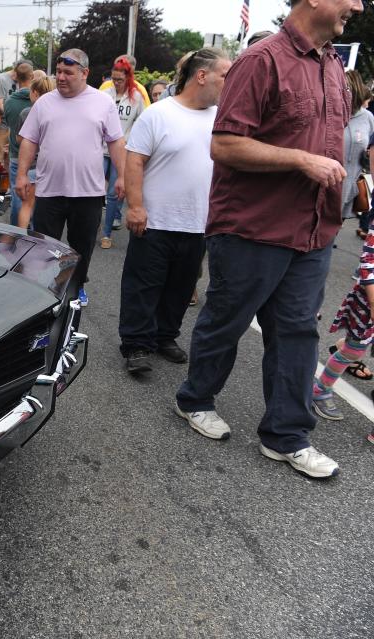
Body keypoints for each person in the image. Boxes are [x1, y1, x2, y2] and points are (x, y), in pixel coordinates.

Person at [175, 0, 362, 480]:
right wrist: (301, 160)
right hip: (252, 227)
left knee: (298, 330)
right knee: (226, 320)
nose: (358, 5)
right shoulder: (262, 60)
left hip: (313, 228)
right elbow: (225, 144)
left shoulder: (335, 66)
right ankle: (195, 399)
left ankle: (286, 436)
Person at [118, 48, 232, 374]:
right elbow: (134, 161)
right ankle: (137, 344)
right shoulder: (158, 114)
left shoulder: (220, 117)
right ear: (202, 76)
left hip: (198, 223)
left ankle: (165, 335)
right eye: (225, 75)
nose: (230, 82)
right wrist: (136, 207)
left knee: (181, 287)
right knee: (144, 285)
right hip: (155, 221)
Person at [16, 49, 125, 307]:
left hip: (88, 192)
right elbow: (29, 140)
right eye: (59, 72)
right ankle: (44, 291)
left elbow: (116, 142)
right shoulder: (44, 103)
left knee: (82, 245)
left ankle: (75, 287)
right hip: (49, 191)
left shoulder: (102, 102)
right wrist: (21, 174)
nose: (61, 77)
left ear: (84, 73)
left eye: (68, 72)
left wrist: (121, 176)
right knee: (44, 245)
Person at [312, 233, 374, 432]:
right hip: (368, 302)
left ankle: (344, 347)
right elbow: (368, 260)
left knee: (355, 347)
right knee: (354, 350)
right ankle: (320, 390)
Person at [100, 58, 146, 249]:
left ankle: (106, 233)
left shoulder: (136, 96)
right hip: (101, 148)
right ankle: (92, 222)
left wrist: (130, 137)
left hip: (122, 150)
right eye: (114, 78)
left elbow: (142, 122)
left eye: (119, 79)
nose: (116, 82)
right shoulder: (105, 93)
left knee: (113, 194)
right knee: (95, 189)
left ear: (128, 77)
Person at [15, 76, 54, 230]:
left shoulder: (27, 112)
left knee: (26, 206)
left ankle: (22, 240)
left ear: (35, 92)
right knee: (46, 209)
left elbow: (20, 139)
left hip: (30, 165)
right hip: (49, 166)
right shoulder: (55, 111)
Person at [339, 70, 374, 224]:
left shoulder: (367, 117)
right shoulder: (326, 113)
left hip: (349, 190)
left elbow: (370, 148)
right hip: (319, 189)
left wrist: (367, 156)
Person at [5, 63, 37, 225]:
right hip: (37, 157)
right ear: (32, 77)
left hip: (16, 155)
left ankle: (15, 231)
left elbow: (9, 125)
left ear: (15, 77)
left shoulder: (9, 102)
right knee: (33, 199)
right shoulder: (41, 103)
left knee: (19, 195)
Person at [0, 62, 31, 165]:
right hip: (4, 123)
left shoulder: (25, 81)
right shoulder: (1, 79)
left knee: (15, 154)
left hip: (18, 124)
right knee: (0, 152)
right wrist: (12, 113)